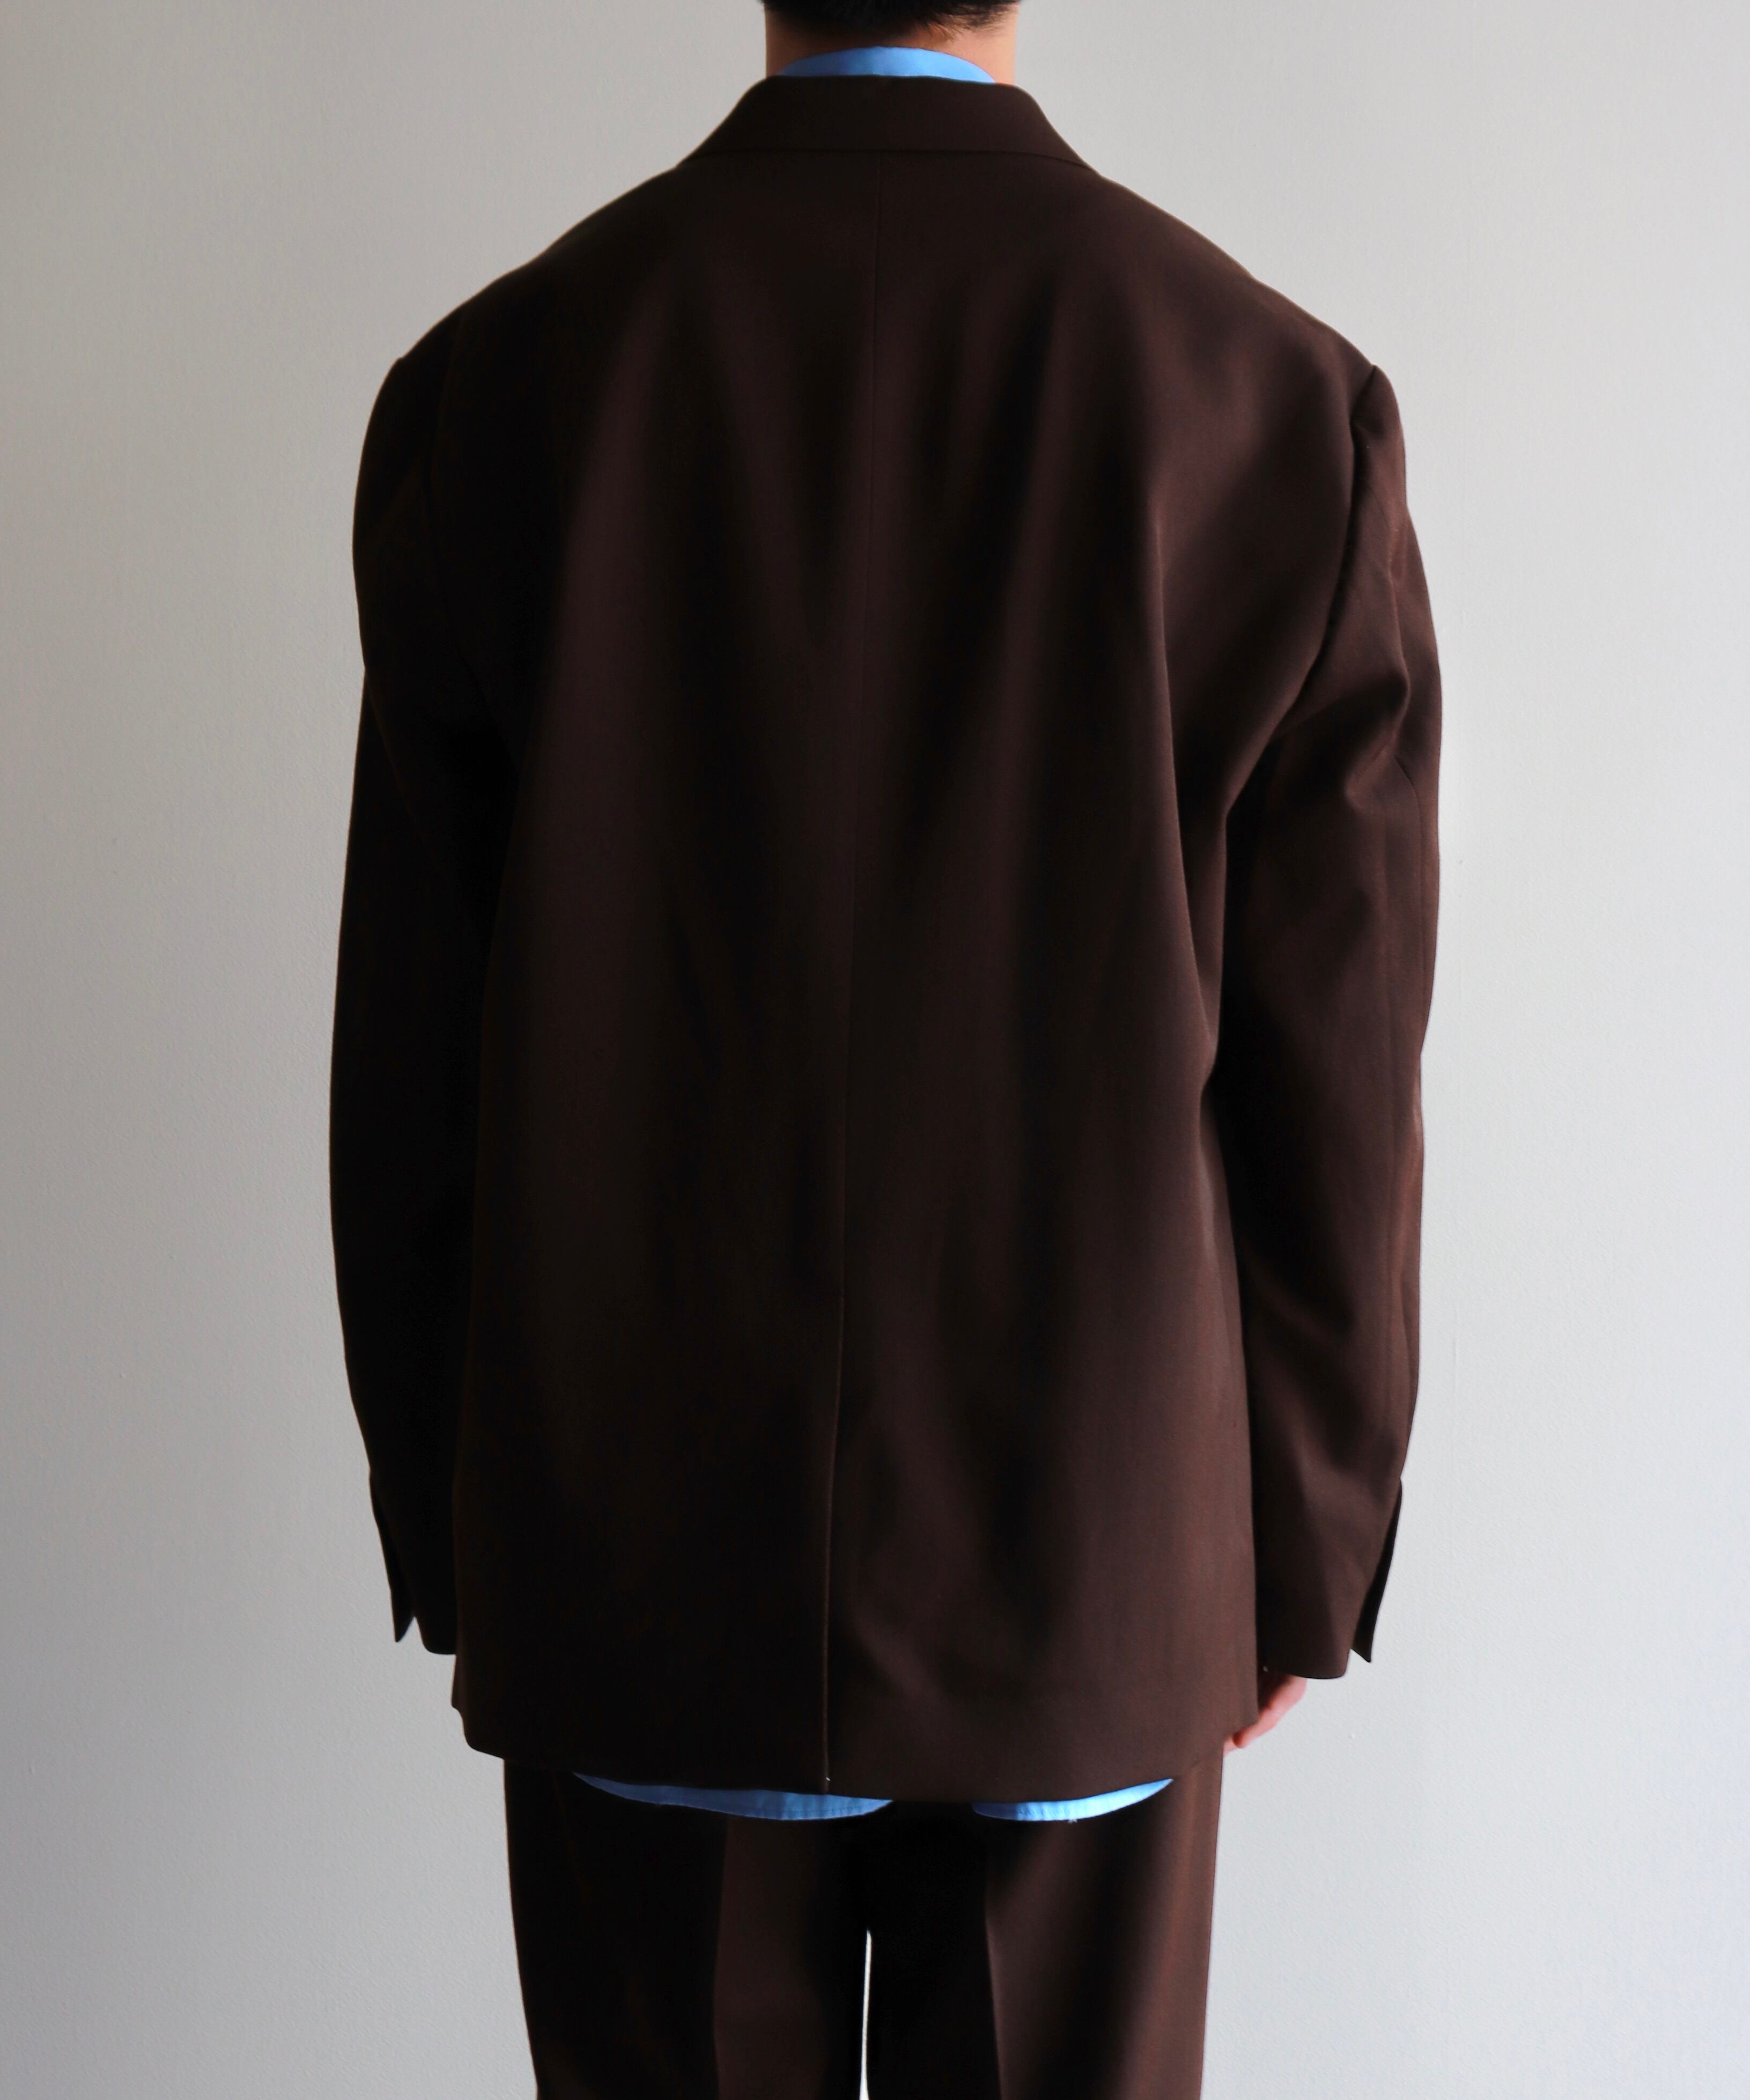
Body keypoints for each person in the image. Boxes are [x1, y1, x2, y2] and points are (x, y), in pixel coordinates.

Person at [329, 1, 1441, 2091]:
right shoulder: (1276, 404)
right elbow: (1339, 1073)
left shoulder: (497, 390)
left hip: (638, 1551)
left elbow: (414, 1052)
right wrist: (1301, 1543)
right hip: (1093, 1554)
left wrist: (457, 1510)